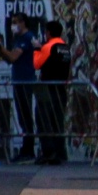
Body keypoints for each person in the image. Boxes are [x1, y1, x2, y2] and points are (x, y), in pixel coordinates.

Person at [0, 12, 40, 161]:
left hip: (25, 81)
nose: (13, 25)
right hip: (19, 81)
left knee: (26, 116)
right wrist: (0, 50)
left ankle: (28, 149)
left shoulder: (27, 38)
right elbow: (10, 60)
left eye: (15, 22)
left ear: (23, 23)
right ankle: (26, 148)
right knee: (22, 116)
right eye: (12, 22)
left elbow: (13, 57)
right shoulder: (19, 39)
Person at [34, 19, 72, 165]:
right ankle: (60, 152)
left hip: (48, 89)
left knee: (44, 120)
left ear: (48, 33)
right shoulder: (65, 47)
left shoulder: (48, 47)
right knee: (58, 121)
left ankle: (49, 153)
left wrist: (37, 49)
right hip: (61, 88)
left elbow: (37, 64)